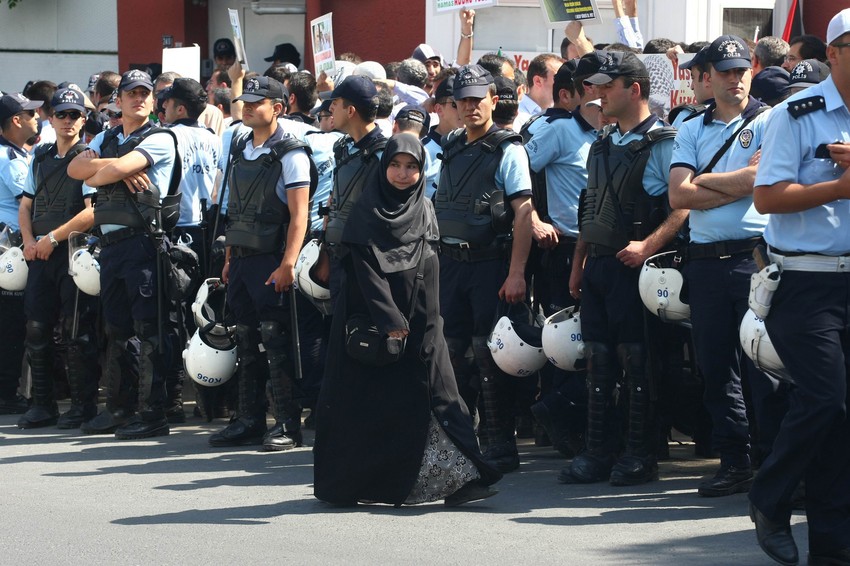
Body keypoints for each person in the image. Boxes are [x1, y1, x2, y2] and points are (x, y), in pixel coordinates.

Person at [314, 134, 502, 507]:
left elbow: (431, 263)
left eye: (412, 166)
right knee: (373, 407)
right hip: (376, 326)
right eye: (395, 165)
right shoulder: (366, 211)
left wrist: (430, 320)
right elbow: (365, 271)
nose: (403, 174)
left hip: (425, 324)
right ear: (384, 168)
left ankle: (465, 479)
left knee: (444, 396)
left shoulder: (425, 208)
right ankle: (355, 485)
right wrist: (389, 320)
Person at [748, 8, 850, 565]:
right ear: (831, 55)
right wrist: (840, 189)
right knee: (824, 398)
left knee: (841, 421)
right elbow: (767, 198)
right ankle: (769, 494)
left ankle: (832, 550)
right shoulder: (799, 112)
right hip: (806, 280)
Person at [668, 35, 787, 497]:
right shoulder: (692, 127)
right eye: (726, 72)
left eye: (742, 71)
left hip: (753, 258)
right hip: (705, 264)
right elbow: (678, 195)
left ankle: (772, 463)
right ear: (708, 76)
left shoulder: (770, 119)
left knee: (764, 366)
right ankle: (734, 460)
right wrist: (736, 181)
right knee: (717, 368)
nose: (736, 79)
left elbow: (763, 180)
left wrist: (706, 181)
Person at [564, 52, 688, 486]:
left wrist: (647, 245)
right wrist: (578, 263)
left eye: (606, 85)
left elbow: (682, 208)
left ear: (634, 89)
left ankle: (639, 452)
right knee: (597, 358)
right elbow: (590, 209)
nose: (597, 93)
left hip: (637, 268)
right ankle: (598, 450)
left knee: (637, 361)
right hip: (598, 264)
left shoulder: (664, 141)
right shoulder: (601, 142)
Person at [68, 69, 179, 439]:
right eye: (131, 93)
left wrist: (109, 168)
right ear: (118, 100)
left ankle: (153, 413)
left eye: (145, 93)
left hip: (143, 243)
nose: (139, 99)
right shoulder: (107, 135)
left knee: (150, 330)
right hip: (112, 247)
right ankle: (120, 408)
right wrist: (112, 168)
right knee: (117, 330)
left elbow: (106, 169)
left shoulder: (161, 136)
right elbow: (75, 168)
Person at [433, 65, 533, 473]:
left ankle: (500, 444)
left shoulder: (509, 149)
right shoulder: (452, 144)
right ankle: (463, 437)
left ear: (494, 100)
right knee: (453, 351)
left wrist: (516, 273)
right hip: (451, 264)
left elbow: (524, 213)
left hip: (490, 264)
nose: (471, 107)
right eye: (464, 100)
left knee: (488, 354)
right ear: (455, 106)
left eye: (479, 99)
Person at [209, 76, 312, 451]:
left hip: (272, 258)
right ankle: (249, 419)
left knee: (276, 339)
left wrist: (288, 263)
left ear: (279, 108)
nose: (247, 107)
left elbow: (300, 216)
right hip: (241, 258)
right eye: (245, 102)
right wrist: (230, 258)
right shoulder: (239, 146)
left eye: (257, 102)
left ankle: (287, 424)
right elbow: (236, 211)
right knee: (247, 339)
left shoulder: (291, 153)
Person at [523, 56, 602, 458]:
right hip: (564, 248)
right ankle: (555, 422)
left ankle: (567, 420)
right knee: (564, 342)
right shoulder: (559, 130)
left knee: (594, 342)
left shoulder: (611, 131)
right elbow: (517, 174)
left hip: (602, 246)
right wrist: (535, 219)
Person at [16, 88, 99, 429]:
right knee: (36, 329)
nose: (67, 121)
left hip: (74, 254)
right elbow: (25, 205)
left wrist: (51, 238)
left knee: (77, 332)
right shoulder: (40, 155)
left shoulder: (89, 156)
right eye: (61, 114)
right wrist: (29, 241)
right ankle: (43, 405)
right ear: (51, 118)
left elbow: (92, 212)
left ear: (83, 119)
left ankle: (82, 407)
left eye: (74, 115)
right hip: (39, 255)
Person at [0, 92, 41, 415]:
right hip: (11, 251)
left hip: (10, 250)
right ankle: (7, 392)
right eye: (30, 114)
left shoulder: (14, 153)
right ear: (16, 120)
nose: (36, 117)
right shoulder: (9, 159)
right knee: (11, 325)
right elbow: (30, 202)